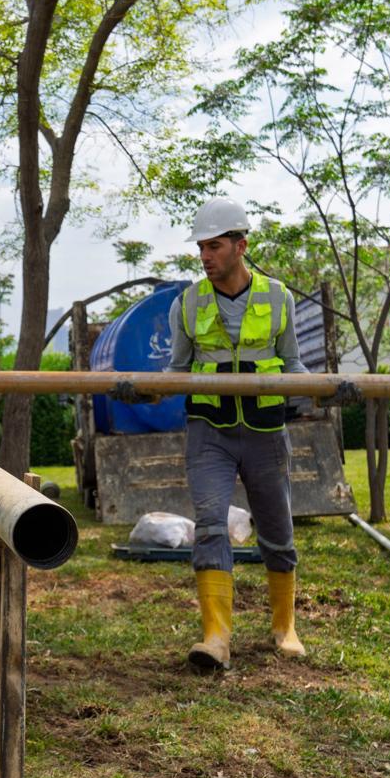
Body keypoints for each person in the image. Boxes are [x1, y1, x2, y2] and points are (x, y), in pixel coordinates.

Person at [166, 198, 306, 668]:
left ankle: (284, 627)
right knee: (209, 526)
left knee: (277, 532)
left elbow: (293, 363)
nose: (206, 256)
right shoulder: (187, 303)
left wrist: (316, 392)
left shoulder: (277, 297)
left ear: (241, 246)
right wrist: (138, 391)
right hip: (210, 431)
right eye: (202, 247)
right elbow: (177, 371)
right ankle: (216, 638)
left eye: (215, 246)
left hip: (266, 431)